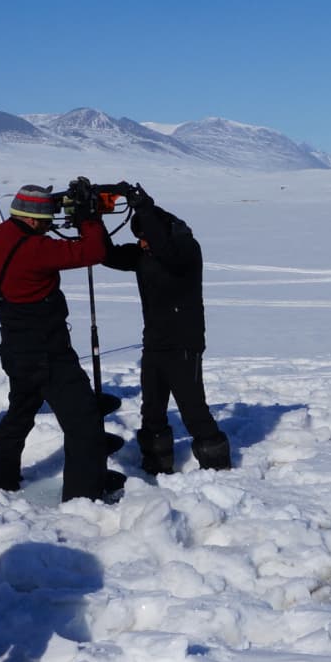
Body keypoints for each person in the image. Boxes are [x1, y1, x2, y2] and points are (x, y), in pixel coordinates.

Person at [0, 179, 126, 500]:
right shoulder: (35, 249)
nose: (49, 227)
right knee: (83, 421)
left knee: (19, 415)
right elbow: (94, 251)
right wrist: (89, 219)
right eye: (45, 221)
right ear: (31, 219)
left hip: (16, 348)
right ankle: (84, 496)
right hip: (46, 352)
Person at [101, 186, 232, 474]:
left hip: (184, 343)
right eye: (139, 239)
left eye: (146, 237)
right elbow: (106, 255)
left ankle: (217, 467)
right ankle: (156, 464)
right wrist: (93, 217)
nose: (143, 244)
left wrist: (144, 208)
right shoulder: (145, 253)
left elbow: (166, 252)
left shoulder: (185, 249)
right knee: (152, 412)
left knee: (193, 410)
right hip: (155, 342)